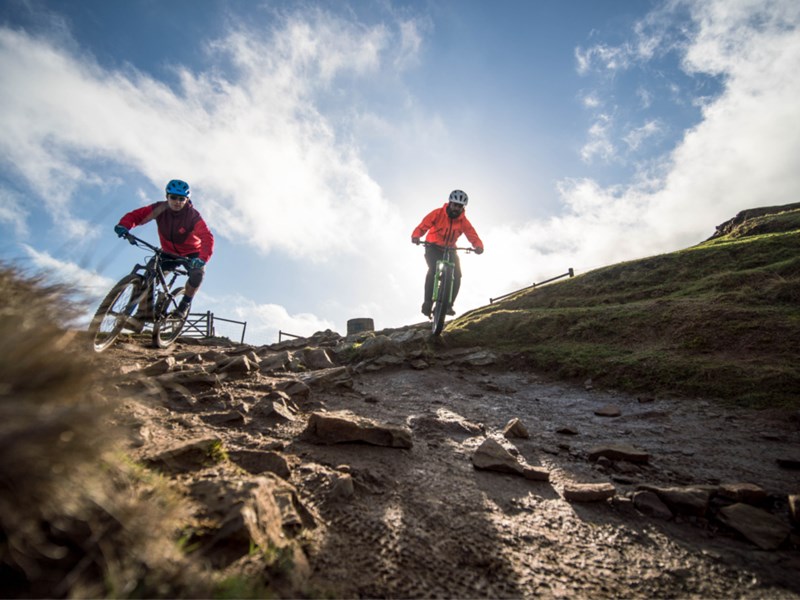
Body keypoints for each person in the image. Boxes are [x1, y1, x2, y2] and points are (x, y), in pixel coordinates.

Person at [114, 179, 214, 319]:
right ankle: (142, 315)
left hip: (192, 253)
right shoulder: (159, 209)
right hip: (168, 252)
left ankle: (184, 306)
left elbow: (206, 237)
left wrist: (202, 259)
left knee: (197, 275)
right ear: (167, 196)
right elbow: (137, 216)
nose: (177, 202)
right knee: (149, 277)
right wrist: (124, 225)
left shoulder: (192, 216)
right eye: (173, 197)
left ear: (186, 200)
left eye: (181, 199)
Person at [411, 189, 484, 318]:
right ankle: (427, 302)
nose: (456, 208)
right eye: (455, 204)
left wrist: (478, 246)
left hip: (450, 249)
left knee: (457, 275)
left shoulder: (463, 222)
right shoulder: (437, 213)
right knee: (433, 269)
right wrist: (416, 235)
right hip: (432, 246)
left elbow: (472, 235)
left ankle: (448, 304)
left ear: (463, 208)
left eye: (460, 206)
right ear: (450, 203)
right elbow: (423, 226)